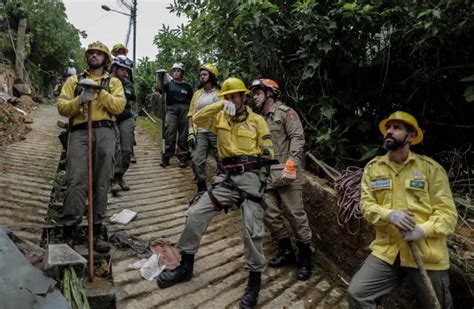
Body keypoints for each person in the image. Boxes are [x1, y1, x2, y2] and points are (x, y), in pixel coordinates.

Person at [157, 77, 275, 309]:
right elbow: (198, 118)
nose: (231, 100)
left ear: (244, 96)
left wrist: (262, 182)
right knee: (195, 213)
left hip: (251, 179)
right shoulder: (219, 116)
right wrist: (220, 105)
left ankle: (254, 281)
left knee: (253, 231)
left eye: (234, 96)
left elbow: (268, 151)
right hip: (227, 180)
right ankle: (186, 266)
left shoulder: (258, 121)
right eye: (227, 96)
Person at [348, 111, 458, 308]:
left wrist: (422, 230)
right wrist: (389, 214)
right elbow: (366, 205)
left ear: (412, 136)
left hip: (427, 254)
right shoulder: (373, 168)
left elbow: (448, 215)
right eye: (388, 128)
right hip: (389, 251)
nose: (389, 132)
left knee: (435, 305)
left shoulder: (431, 169)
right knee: (357, 293)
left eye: (396, 128)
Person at [57, 41, 126, 253]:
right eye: (91, 53)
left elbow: (119, 106)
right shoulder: (74, 80)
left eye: (99, 53)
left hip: (105, 132)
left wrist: (98, 93)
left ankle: (96, 230)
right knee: (75, 179)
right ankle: (69, 228)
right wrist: (80, 99)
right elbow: (62, 107)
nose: (94, 56)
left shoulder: (113, 82)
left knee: (101, 182)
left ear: (106, 58)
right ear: (87, 57)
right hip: (79, 132)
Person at [250, 79, 313, 281]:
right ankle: (287, 251)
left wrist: (292, 164)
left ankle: (305, 257)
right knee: (270, 215)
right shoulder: (256, 118)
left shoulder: (286, 113)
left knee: (296, 215)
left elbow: (297, 138)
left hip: (287, 174)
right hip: (265, 176)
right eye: (254, 94)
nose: (255, 97)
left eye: (258, 93)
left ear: (270, 94)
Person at [187, 63, 221, 193]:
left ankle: (221, 185)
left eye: (205, 74)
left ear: (212, 76)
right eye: (200, 74)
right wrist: (191, 131)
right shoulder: (197, 94)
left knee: (221, 159)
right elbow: (191, 113)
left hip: (216, 131)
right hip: (200, 131)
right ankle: (201, 187)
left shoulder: (220, 93)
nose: (202, 76)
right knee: (196, 160)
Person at [156, 62, 194, 168]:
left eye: (178, 71)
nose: (176, 73)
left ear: (182, 73)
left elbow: (193, 100)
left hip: (185, 109)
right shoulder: (169, 84)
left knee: (183, 134)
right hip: (171, 109)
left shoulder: (187, 86)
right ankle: (166, 157)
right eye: (174, 71)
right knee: (169, 131)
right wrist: (159, 76)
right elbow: (159, 88)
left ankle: (183, 157)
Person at [109, 55, 136, 193]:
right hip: (111, 119)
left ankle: (120, 176)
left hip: (126, 119)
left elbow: (132, 101)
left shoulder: (129, 84)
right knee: (116, 150)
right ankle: (113, 179)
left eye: (127, 71)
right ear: (114, 68)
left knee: (126, 150)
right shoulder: (107, 81)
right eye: (122, 70)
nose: (125, 73)